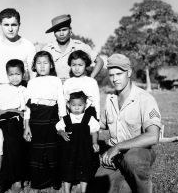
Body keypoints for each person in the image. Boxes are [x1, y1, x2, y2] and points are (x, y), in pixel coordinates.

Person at [92, 54, 162, 193]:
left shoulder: (145, 99)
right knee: (96, 188)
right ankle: (126, 182)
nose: (115, 79)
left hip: (136, 153)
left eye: (119, 74)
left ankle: (142, 187)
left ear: (129, 73)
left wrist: (117, 147)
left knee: (132, 159)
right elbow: (103, 124)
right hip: (115, 156)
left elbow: (153, 136)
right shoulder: (110, 99)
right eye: (112, 75)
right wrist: (81, 118)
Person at [23, 51, 66, 190]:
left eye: (45, 63)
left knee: (52, 149)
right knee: (37, 150)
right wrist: (27, 126)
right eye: (39, 63)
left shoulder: (56, 80)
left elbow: (61, 101)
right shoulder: (31, 82)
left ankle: (55, 180)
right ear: (34, 66)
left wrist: (62, 121)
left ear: (51, 65)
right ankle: (38, 181)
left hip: (52, 116)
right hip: (36, 118)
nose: (42, 66)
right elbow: (27, 107)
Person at [0, 59, 28, 192]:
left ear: (23, 74)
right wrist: (5, 113)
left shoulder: (24, 90)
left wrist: (26, 126)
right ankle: (4, 179)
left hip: (15, 123)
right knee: (3, 151)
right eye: (11, 74)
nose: (14, 77)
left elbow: (25, 110)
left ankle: (18, 181)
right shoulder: (1, 88)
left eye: (17, 74)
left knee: (16, 151)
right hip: (1, 124)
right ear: (7, 75)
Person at [56, 91, 100, 193]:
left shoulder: (89, 118)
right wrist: (62, 133)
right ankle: (67, 190)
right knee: (68, 168)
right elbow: (59, 129)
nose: (76, 108)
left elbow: (94, 131)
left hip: (84, 149)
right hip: (69, 150)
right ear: (68, 105)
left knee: (85, 167)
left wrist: (94, 142)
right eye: (73, 105)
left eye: (80, 105)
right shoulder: (66, 119)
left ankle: (83, 190)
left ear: (85, 105)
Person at [43, 14, 104, 83]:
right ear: (54, 33)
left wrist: (90, 79)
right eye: (58, 31)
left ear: (70, 30)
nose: (61, 34)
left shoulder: (80, 46)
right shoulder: (47, 49)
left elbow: (100, 61)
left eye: (64, 30)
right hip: (54, 89)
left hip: (76, 88)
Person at [64, 50, 100, 120]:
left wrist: (97, 118)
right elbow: (65, 101)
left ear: (85, 65)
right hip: (72, 115)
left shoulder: (91, 82)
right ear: (70, 65)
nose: (77, 68)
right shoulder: (68, 82)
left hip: (88, 114)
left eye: (80, 65)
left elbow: (96, 101)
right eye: (74, 65)